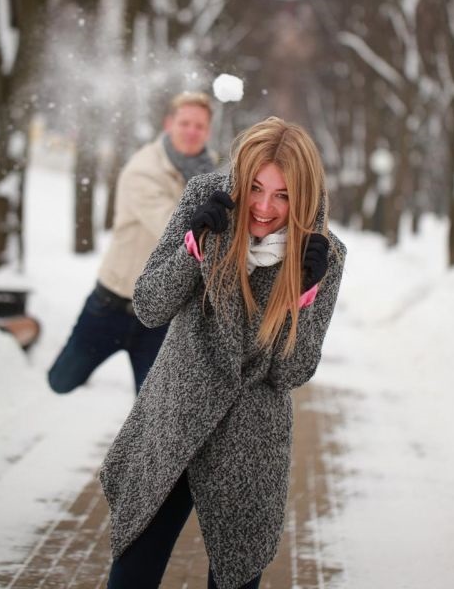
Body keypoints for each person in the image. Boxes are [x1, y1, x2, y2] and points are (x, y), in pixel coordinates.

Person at [99, 116, 347, 589]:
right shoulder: (205, 200)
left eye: (283, 195)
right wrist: (194, 250)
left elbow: (293, 370)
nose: (264, 208)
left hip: (250, 438)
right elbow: (149, 306)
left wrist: (301, 299)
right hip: (175, 414)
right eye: (255, 188)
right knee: (134, 569)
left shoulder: (322, 253)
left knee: (234, 577)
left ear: (303, 196)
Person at [48, 92, 215, 394]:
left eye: (199, 126)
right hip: (111, 305)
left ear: (208, 131)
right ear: (169, 124)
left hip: (159, 315)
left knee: (153, 410)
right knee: (61, 382)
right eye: (185, 123)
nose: (192, 131)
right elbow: (175, 229)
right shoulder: (144, 170)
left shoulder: (208, 175)